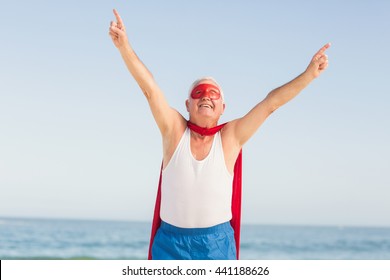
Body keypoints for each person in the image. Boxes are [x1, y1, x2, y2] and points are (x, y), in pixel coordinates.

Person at [108, 8, 330, 260]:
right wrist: (124, 46)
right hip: (170, 244)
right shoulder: (174, 130)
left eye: (213, 94)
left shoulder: (230, 137)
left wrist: (309, 74)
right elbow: (149, 88)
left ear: (223, 108)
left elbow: (271, 104)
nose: (206, 97)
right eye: (199, 93)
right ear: (187, 105)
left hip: (216, 244)